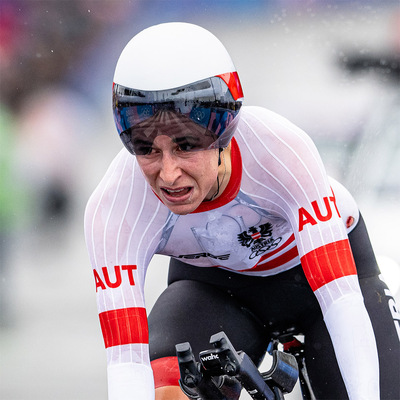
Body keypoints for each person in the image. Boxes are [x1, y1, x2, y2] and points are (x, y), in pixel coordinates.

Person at [84, 22, 399, 400]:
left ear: (225, 131)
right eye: (146, 148)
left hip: (319, 284)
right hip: (218, 290)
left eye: (185, 145)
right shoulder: (113, 205)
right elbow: (125, 362)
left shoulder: (279, 150)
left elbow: (341, 302)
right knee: (168, 390)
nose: (168, 174)